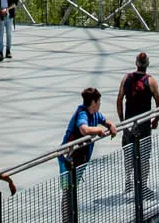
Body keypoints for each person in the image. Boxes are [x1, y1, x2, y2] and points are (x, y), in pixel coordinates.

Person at [59, 88, 115, 223]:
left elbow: (105, 121)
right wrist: (98, 130)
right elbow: (84, 129)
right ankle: (67, 220)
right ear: (94, 102)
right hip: (68, 159)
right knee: (68, 191)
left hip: (80, 158)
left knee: (73, 189)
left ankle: (71, 218)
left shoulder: (95, 114)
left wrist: (111, 125)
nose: (100, 104)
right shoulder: (82, 113)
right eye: (99, 101)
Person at [115, 51, 159, 190]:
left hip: (128, 122)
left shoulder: (126, 78)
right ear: (147, 64)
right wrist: (155, 120)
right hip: (144, 123)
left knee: (128, 153)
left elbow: (119, 100)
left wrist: (122, 121)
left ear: (136, 63)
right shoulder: (151, 81)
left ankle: (128, 181)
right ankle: (143, 185)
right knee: (145, 155)